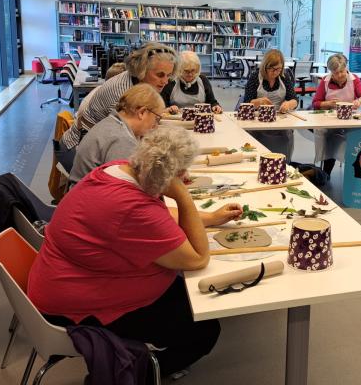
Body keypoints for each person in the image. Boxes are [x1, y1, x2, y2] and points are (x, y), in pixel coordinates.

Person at [29, 126, 237, 379]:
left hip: (63, 285)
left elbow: (157, 217)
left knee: (188, 295)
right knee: (204, 329)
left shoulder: (117, 170)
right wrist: (183, 196)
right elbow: (198, 258)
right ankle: (137, 373)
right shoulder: (131, 208)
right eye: (182, 173)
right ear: (173, 175)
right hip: (75, 310)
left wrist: (211, 218)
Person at [57, 44, 178, 171]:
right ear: (142, 70)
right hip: (76, 150)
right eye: (160, 75)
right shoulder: (123, 93)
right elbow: (129, 140)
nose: (165, 81)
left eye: (168, 75)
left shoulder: (139, 83)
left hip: (100, 146)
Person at [69, 83, 164, 184]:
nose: (156, 125)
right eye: (156, 118)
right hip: (88, 196)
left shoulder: (112, 122)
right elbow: (125, 187)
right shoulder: (122, 140)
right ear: (142, 112)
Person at [311, 53, 361, 178]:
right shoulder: (325, 82)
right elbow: (315, 103)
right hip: (330, 120)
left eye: (342, 71)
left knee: (358, 135)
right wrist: (327, 104)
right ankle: (326, 173)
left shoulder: (354, 80)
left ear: (346, 67)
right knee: (329, 139)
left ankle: (358, 172)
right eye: (336, 73)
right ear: (331, 72)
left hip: (348, 118)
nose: (340, 75)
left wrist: (359, 102)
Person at [243, 49, 298, 159]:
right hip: (259, 121)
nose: (275, 72)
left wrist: (288, 104)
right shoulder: (255, 77)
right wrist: (259, 102)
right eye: (272, 69)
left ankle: (283, 163)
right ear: (265, 67)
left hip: (279, 120)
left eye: (278, 69)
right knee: (255, 144)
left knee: (287, 136)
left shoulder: (284, 77)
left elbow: (294, 100)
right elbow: (246, 104)